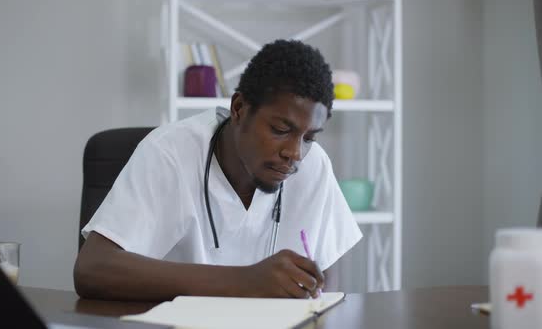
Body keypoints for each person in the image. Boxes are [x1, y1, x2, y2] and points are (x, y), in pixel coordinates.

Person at [74, 39, 362, 301]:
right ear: (238, 108)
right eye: (280, 129)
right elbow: (92, 269)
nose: (295, 153)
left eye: (309, 137)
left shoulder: (315, 165)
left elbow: (327, 279)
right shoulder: (169, 152)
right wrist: (245, 280)